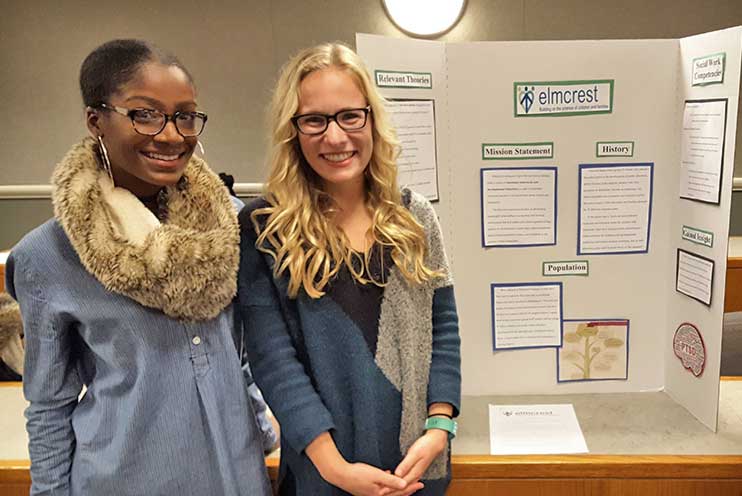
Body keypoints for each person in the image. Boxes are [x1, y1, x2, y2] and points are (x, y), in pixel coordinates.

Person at [6, 39, 274, 496]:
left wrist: (261, 423)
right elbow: (49, 404)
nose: (171, 135)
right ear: (96, 120)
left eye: (185, 115)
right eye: (144, 114)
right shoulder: (46, 256)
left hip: (237, 475)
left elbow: (240, 351)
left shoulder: (230, 227)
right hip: (124, 479)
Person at [238, 42, 461, 496]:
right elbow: (273, 361)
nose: (335, 137)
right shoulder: (265, 228)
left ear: (371, 120)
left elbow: (444, 328)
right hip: (325, 477)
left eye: (349, 116)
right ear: (293, 131)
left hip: (415, 472)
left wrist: (440, 427)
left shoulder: (415, 217)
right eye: (314, 120)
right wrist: (335, 469)